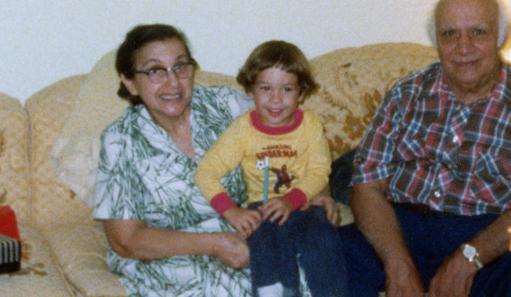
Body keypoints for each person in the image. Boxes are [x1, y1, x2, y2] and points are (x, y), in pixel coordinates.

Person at [339, 0, 511, 297]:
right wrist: (398, 264)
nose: (463, 47)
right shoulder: (406, 93)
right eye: (449, 34)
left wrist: (470, 258)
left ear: (500, 37)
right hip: (403, 230)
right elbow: (366, 184)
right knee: (330, 253)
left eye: (478, 32)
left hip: (492, 236)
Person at [94, 24, 335, 297]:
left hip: (256, 234)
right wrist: (215, 244)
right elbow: (126, 240)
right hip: (172, 256)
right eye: (155, 71)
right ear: (130, 82)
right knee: (225, 288)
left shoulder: (227, 105)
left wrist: (319, 192)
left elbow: (300, 148)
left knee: (318, 270)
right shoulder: (120, 141)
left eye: (180, 66)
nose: (173, 82)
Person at [195, 40, 348, 297]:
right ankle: (274, 290)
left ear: (301, 93)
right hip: (262, 208)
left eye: (287, 89)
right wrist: (231, 211)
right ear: (250, 91)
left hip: (303, 203)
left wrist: (291, 201)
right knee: (263, 240)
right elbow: (205, 172)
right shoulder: (242, 129)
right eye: (265, 88)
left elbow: (319, 170)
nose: (276, 99)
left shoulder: (310, 125)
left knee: (324, 238)